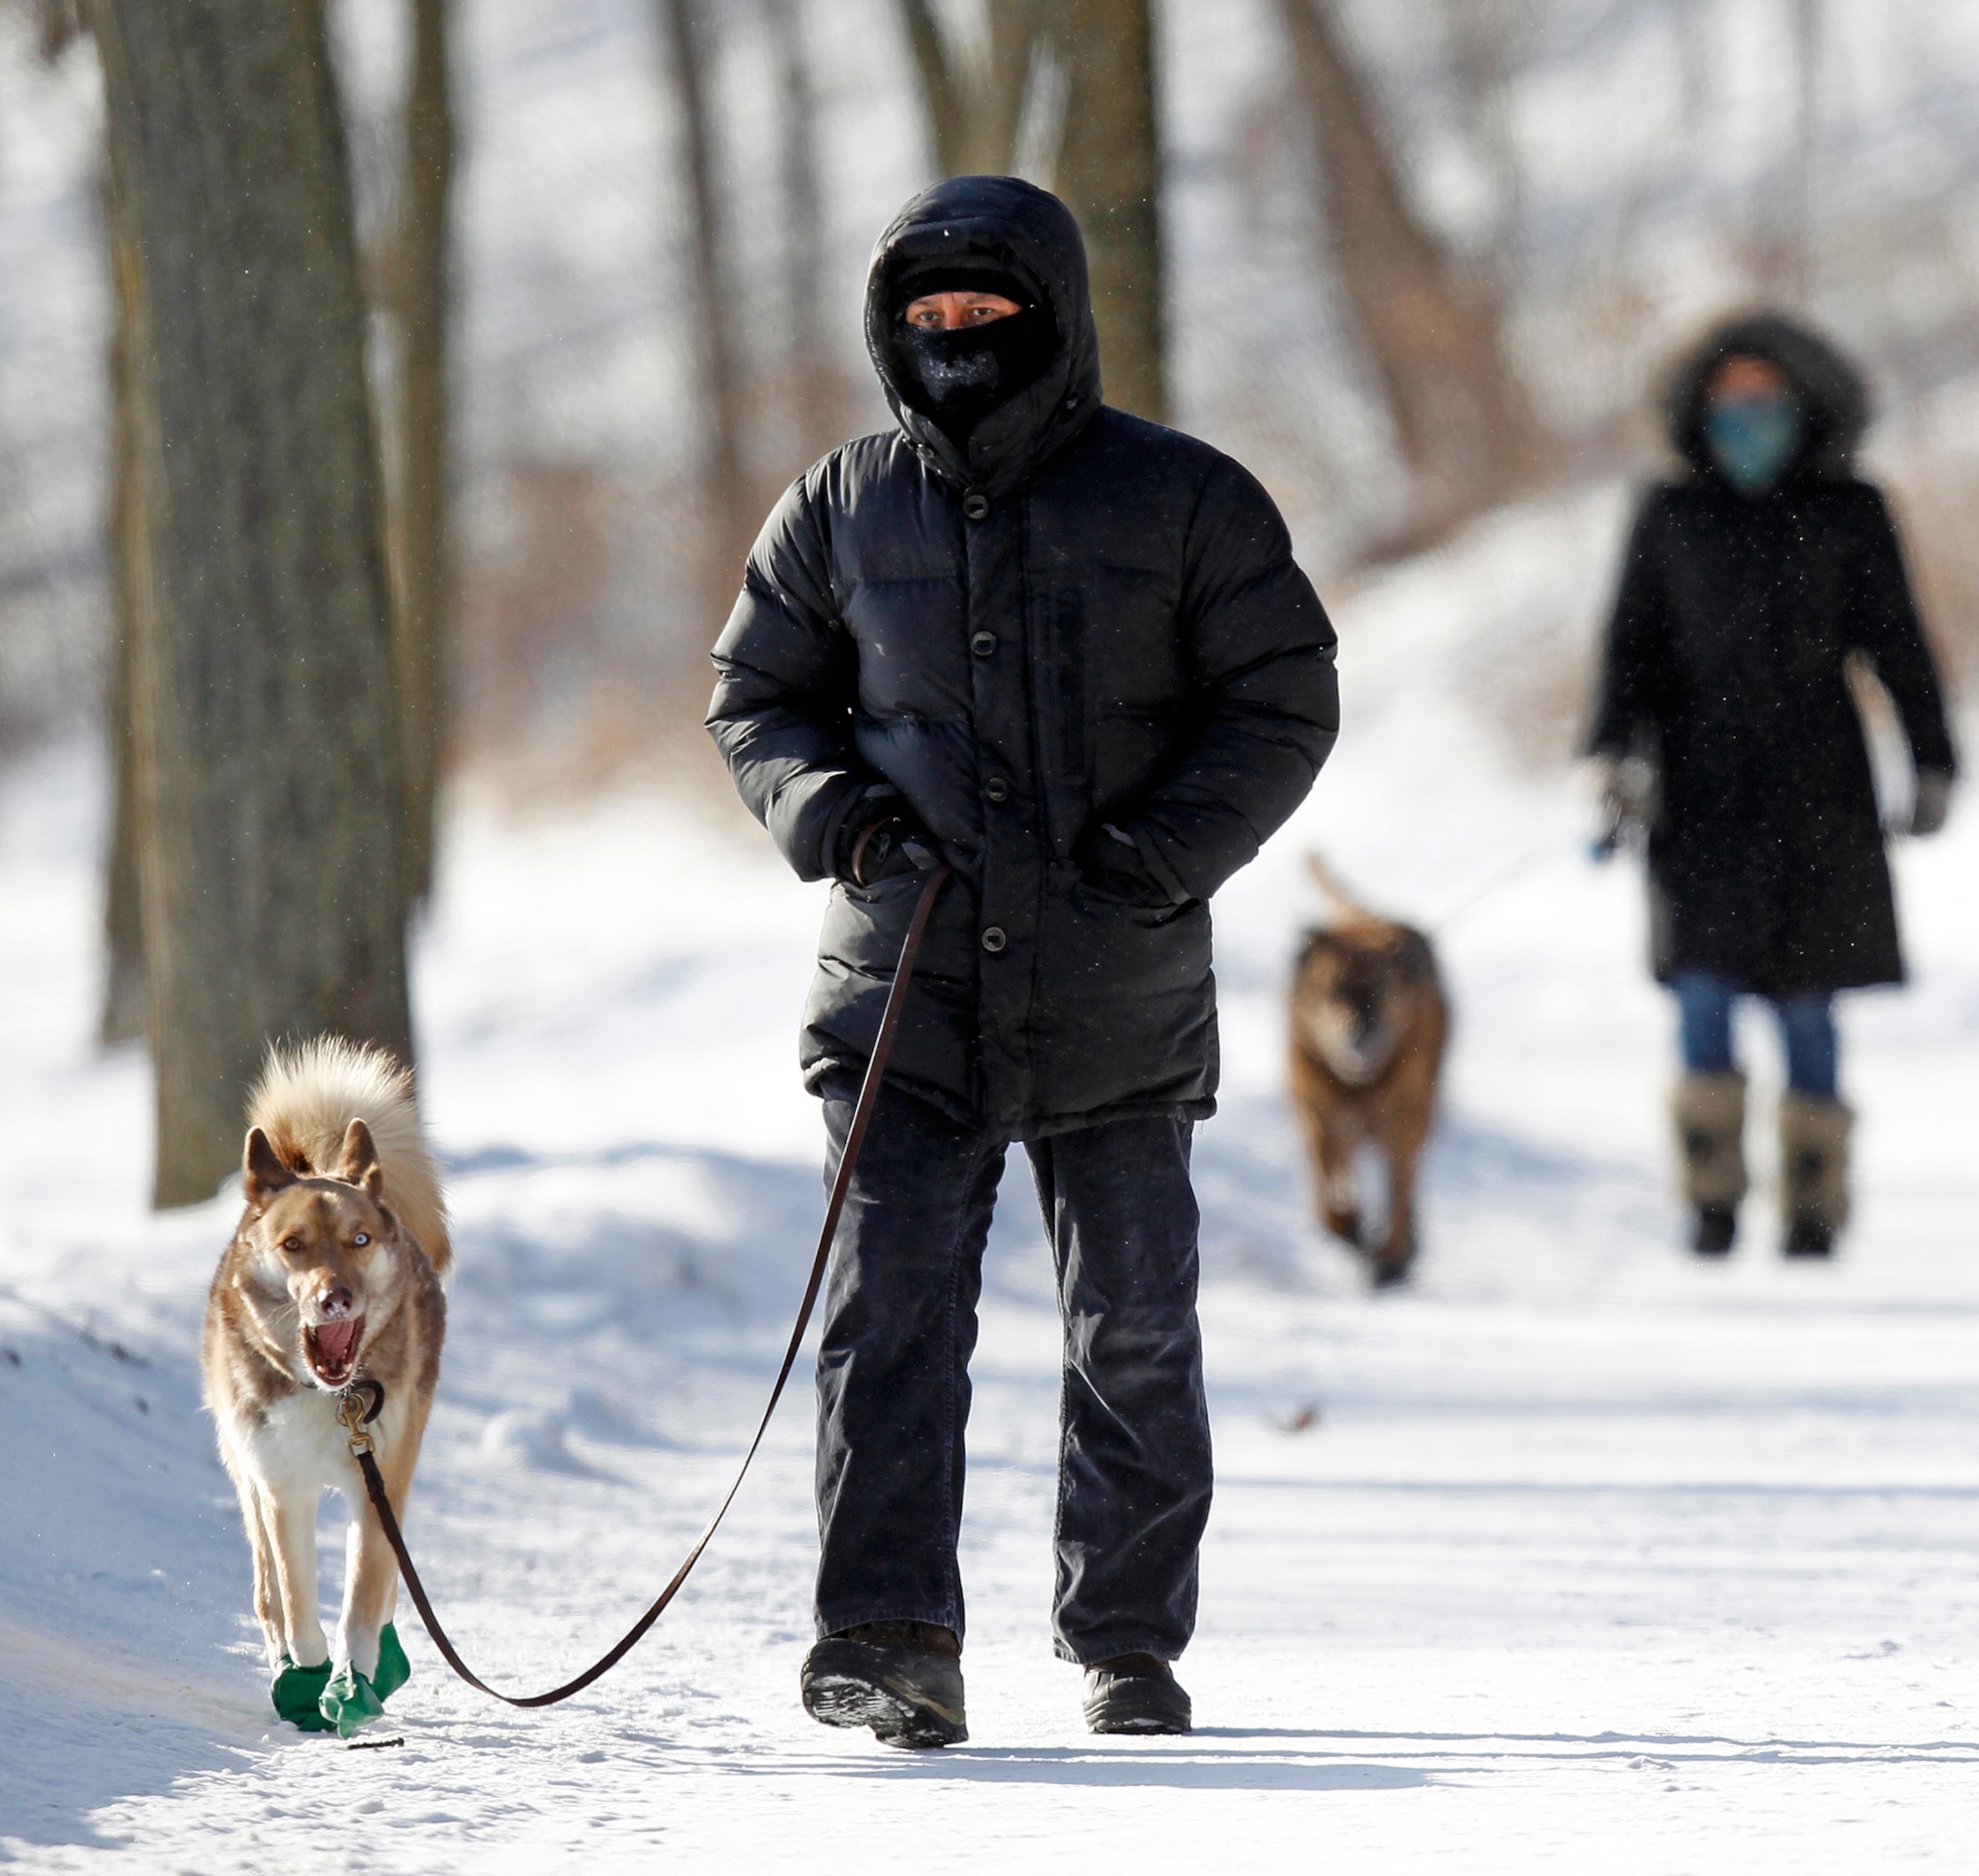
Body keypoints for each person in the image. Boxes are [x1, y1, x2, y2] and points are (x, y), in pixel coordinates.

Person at [705, 176, 1338, 1746]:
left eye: (988, 314)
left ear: (1053, 318)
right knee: (889, 1310)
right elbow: (755, 699)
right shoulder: (841, 506)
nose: (958, 341)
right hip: (902, 991)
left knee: (1130, 1321)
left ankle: (1128, 1640)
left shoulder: (1184, 499)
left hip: (1115, 985)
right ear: (890, 329)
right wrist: (837, 815)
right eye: (928, 318)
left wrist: (1163, 852)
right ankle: (890, 1635)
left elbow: (1283, 696)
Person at [1587, 312, 1956, 1259]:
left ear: (1806, 402)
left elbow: (1900, 643)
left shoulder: (1850, 509)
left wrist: (1933, 756)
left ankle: (1813, 1207)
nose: (1747, 413)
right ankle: (1711, 1201)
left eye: (1766, 396)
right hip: (1699, 786)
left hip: (1820, 787)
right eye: (1729, 397)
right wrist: (1612, 756)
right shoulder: (1669, 512)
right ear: (1698, 407)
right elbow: (1630, 647)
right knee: (1703, 996)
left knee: (1808, 999)